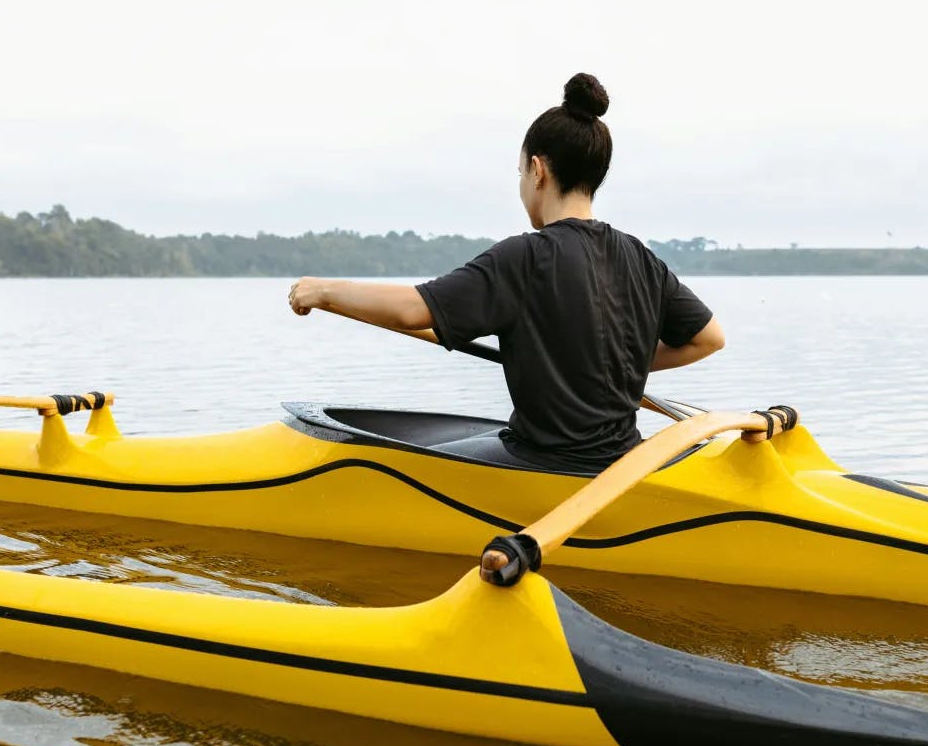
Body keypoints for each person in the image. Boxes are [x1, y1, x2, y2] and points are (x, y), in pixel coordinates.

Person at [288, 73, 725, 473]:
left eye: (520, 172)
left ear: (538, 170)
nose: (520, 185)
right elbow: (709, 338)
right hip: (621, 460)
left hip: (546, 466)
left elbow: (412, 310)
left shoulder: (524, 258)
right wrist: (609, 366)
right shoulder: (641, 258)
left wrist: (321, 290)